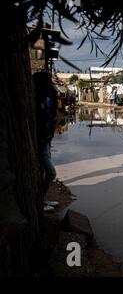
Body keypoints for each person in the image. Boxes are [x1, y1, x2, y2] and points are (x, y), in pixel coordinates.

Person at [34, 72, 57, 207]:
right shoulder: (37, 99)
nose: (50, 83)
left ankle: (41, 201)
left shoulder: (46, 97)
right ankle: (39, 202)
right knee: (50, 172)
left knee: (43, 171)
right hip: (42, 140)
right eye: (48, 81)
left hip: (47, 139)